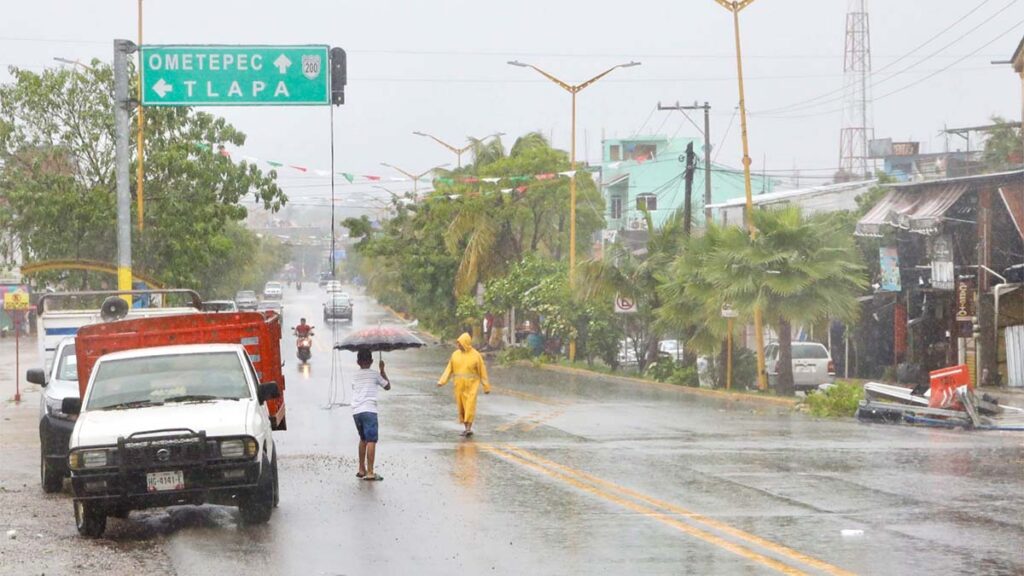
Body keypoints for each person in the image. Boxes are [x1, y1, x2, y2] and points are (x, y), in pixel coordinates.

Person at [437, 333, 490, 437]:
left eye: (460, 343)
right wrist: (442, 381)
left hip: (471, 386)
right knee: (462, 408)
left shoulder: (476, 355)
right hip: (459, 386)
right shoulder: (455, 355)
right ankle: (466, 428)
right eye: (458, 343)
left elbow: (482, 371)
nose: (458, 345)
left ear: (466, 343)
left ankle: (469, 428)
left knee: (470, 406)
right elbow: (449, 369)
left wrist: (486, 386)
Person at [352, 349, 391, 481]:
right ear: (371, 361)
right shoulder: (375, 375)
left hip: (356, 412)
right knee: (371, 441)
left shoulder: (355, 376)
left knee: (363, 439)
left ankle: (361, 469)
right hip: (369, 410)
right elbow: (387, 386)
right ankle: (370, 472)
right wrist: (382, 370)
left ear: (358, 362)